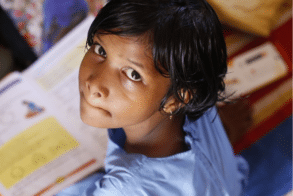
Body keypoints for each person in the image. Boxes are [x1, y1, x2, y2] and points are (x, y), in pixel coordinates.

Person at [58, 0, 249, 195]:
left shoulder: (123, 188)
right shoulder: (192, 87)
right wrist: (228, 129)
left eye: (133, 74)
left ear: (175, 100)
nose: (95, 83)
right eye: (100, 50)